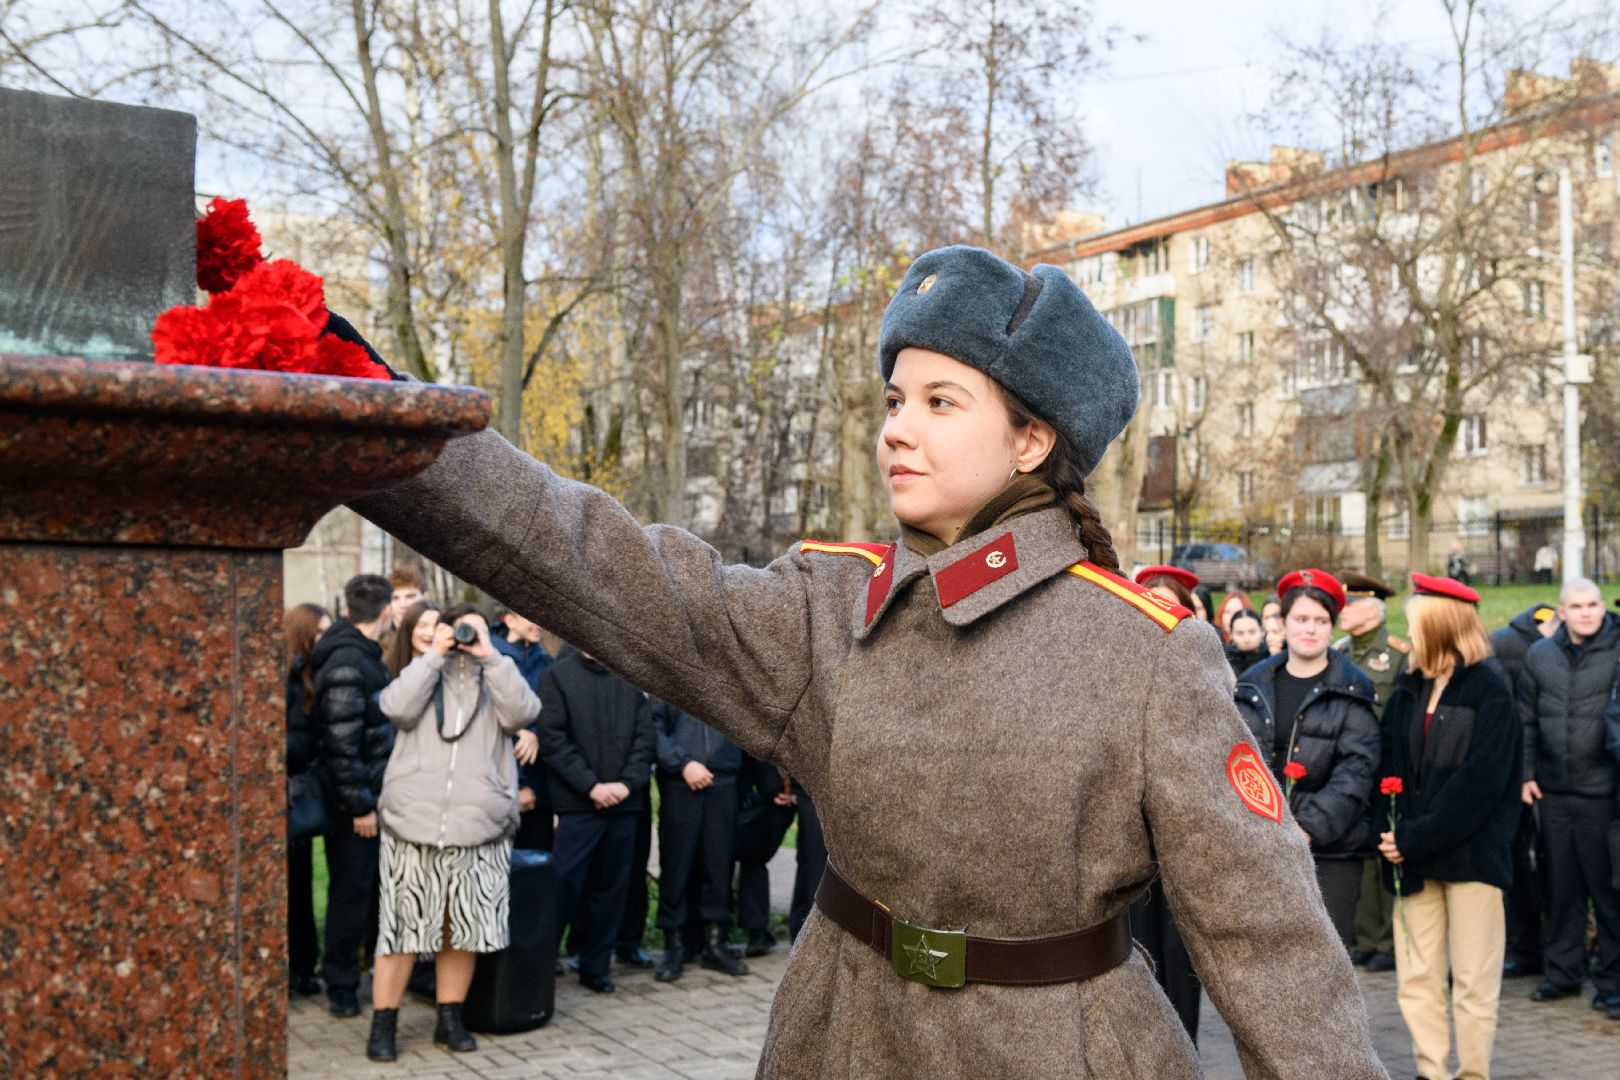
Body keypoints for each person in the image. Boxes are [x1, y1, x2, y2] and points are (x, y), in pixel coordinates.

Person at [348, 245, 1384, 1074]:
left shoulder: (1147, 652)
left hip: (1060, 1048)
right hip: (844, 1033)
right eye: (895, 400)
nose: (897, 429)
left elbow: (1269, 941)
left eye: (941, 402)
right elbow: (591, 562)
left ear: (1031, 442)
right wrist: (368, 408)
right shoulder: (829, 608)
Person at [363, 603, 542, 1061]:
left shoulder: (499, 671)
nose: (462, 637)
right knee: (400, 930)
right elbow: (394, 708)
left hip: (478, 826)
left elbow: (523, 712)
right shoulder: (421, 670)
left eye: (471, 629)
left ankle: (450, 1018)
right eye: (455, 629)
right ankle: (384, 1024)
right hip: (413, 824)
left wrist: (490, 655)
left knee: (462, 928)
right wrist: (434, 656)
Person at [1377, 574, 1521, 1080]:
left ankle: (1472, 1074)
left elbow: (1479, 787)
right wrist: (1389, 832)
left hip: (1472, 859)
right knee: (1417, 978)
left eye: (1415, 623)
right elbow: (1389, 769)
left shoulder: (1490, 692)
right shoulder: (1408, 688)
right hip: (1412, 859)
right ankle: (1431, 1071)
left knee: (1474, 981)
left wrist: (1413, 838)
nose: (1408, 632)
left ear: (1441, 625)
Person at [1235, 569, 1381, 947]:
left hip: (1330, 850)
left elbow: (1356, 770)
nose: (1310, 629)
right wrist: (1259, 823)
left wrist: (1306, 828)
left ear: (1332, 626)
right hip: (1261, 843)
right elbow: (1236, 758)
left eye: (1321, 620)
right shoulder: (1253, 684)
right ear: (1283, 622)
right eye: (1301, 619)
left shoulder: (1352, 688)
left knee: (1324, 957)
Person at [1519, 578, 1620, 1009]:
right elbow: (1525, 719)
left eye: (1593, 604)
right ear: (1561, 612)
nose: (1586, 612)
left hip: (1603, 794)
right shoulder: (1540, 655)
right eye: (1577, 606)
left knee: (1607, 893)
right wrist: (1526, 773)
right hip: (1554, 792)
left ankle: (1612, 983)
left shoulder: (1617, 650)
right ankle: (1562, 973)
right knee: (1561, 889)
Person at [535, 646, 656, 994]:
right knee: (563, 887)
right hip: (579, 806)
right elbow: (553, 740)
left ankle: (597, 967)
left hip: (623, 804)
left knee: (612, 890)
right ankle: (539, 968)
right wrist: (591, 786)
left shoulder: (629, 678)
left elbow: (644, 738)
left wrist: (625, 784)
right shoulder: (556, 677)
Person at [310, 574, 395, 1018]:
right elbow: (341, 743)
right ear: (387, 611)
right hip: (354, 807)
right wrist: (360, 805)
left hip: (369, 797)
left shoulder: (361, 656)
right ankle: (341, 984)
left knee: (366, 890)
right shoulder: (348, 661)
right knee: (350, 891)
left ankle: (358, 973)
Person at [1333, 570, 1409, 973]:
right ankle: (1366, 937)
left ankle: (1389, 941)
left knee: (1383, 852)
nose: (1342, 611)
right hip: (1348, 768)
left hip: (1385, 770)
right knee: (1359, 853)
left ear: (1373, 609)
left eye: (1350, 604)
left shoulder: (1398, 654)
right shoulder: (1340, 651)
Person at [652, 700, 746, 982]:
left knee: (719, 867)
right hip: (679, 783)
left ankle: (715, 943)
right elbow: (653, 728)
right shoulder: (667, 678)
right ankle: (675, 946)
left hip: (724, 781)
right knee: (676, 867)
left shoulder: (729, 679)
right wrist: (682, 763)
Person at [1489, 603, 1559, 979]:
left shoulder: (1505, 642)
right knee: (1526, 868)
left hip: (1547, 775)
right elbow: (1518, 717)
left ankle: (1534, 948)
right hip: (1525, 777)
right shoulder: (1505, 645)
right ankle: (1530, 947)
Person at [284, 602, 331, 997]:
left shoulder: (311, 673)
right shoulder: (293, 675)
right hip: (289, 786)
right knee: (291, 889)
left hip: (297, 789)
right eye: (320, 632)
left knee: (299, 888)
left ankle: (302, 965)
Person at [490, 608, 555, 852]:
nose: (539, 624)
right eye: (531, 617)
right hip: (500, 784)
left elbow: (552, 714)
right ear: (510, 620)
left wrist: (536, 733)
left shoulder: (546, 662)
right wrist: (519, 784)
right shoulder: (491, 658)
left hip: (540, 787)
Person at [734, 754, 798, 954]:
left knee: (753, 858)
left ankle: (757, 932)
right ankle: (755, 932)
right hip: (758, 792)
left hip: (773, 793)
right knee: (752, 857)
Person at [1224, 608, 1269, 679]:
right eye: (1240, 633)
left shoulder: (1272, 656)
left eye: (1252, 632)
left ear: (1262, 631)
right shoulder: (1225, 661)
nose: (1246, 639)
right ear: (1231, 635)